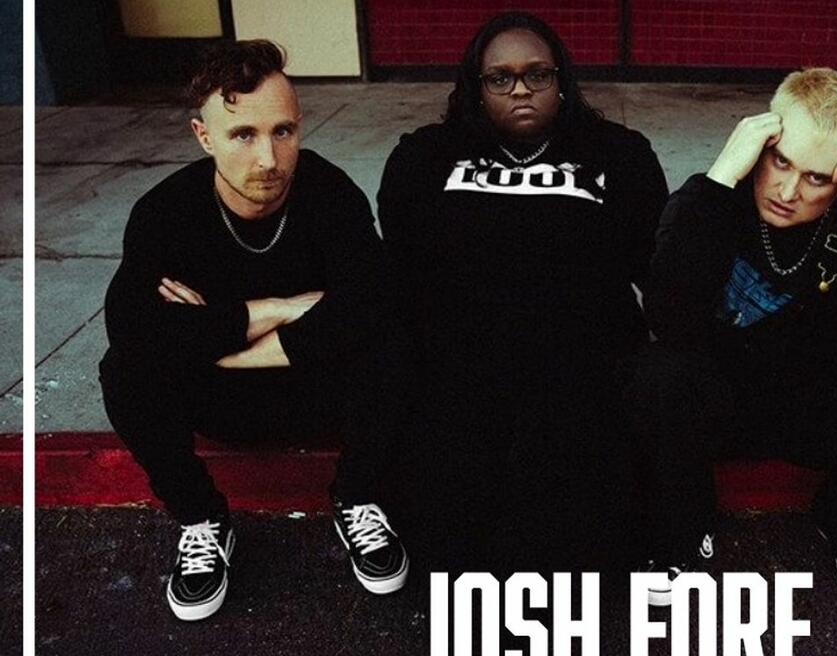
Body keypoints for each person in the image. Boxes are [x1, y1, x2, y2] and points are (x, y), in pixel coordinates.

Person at [629, 67, 837, 604]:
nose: (788, 191)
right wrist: (721, 174)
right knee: (657, 373)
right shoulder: (716, 197)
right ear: (760, 142)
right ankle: (682, 534)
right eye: (780, 161)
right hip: (724, 402)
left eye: (816, 179)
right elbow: (667, 318)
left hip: (819, 411)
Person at [99, 40, 407, 621]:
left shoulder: (329, 192)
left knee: (394, 344)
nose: (268, 157)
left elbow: (373, 302)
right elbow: (133, 328)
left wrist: (218, 340)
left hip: (315, 392)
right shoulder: (166, 213)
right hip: (218, 402)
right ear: (203, 136)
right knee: (124, 372)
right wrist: (274, 309)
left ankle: (357, 497)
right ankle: (202, 518)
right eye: (243, 134)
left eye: (283, 131)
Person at [376, 12, 668, 575]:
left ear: (562, 81)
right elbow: (407, 270)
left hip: (582, 356)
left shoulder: (619, 154)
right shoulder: (425, 157)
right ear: (476, 87)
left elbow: (650, 266)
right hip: (466, 358)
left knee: (580, 523)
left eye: (538, 75)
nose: (520, 90)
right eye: (500, 78)